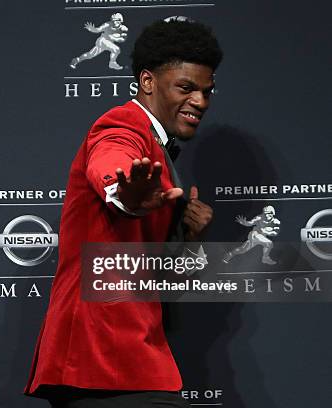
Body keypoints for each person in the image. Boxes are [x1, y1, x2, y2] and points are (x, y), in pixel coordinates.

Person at [26, 19, 223, 407]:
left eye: (206, 91)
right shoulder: (123, 127)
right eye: (186, 87)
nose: (200, 101)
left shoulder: (160, 151)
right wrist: (124, 193)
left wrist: (192, 239)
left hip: (127, 358)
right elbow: (110, 162)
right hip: (100, 357)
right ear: (148, 82)